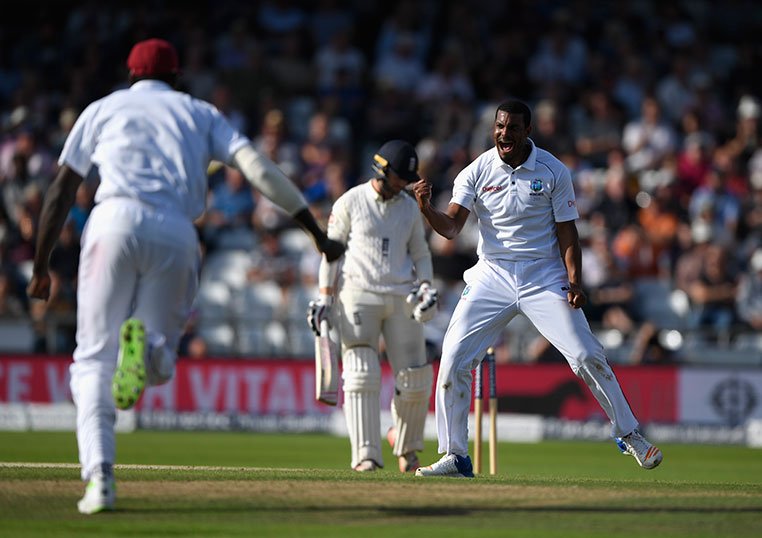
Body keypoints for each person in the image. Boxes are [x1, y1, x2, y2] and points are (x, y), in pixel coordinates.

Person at [26, 38, 344, 514]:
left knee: (92, 359)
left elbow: (61, 189)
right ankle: (150, 348)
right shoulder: (200, 112)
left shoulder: (103, 108)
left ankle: (100, 479)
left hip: (112, 219)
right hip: (177, 231)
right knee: (163, 357)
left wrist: (40, 266)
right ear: (176, 77)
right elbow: (258, 169)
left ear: (131, 75)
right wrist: (314, 230)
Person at [411, 99, 662, 477]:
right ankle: (455, 456)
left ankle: (629, 434)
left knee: (584, 354)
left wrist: (574, 279)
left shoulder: (552, 170)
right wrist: (427, 209)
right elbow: (450, 227)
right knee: (453, 358)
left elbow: (568, 231)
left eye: (512, 127)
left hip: (543, 275)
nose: (503, 134)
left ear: (528, 131)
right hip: (492, 274)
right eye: (499, 126)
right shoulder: (477, 170)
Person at [307, 140, 437, 473]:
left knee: (416, 378)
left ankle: (406, 448)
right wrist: (325, 296)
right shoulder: (351, 201)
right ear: (381, 169)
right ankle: (366, 455)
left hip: (400, 296)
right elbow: (331, 253)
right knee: (362, 370)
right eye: (399, 178)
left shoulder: (409, 207)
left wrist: (425, 285)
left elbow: (421, 253)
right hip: (358, 295)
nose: (403, 185)